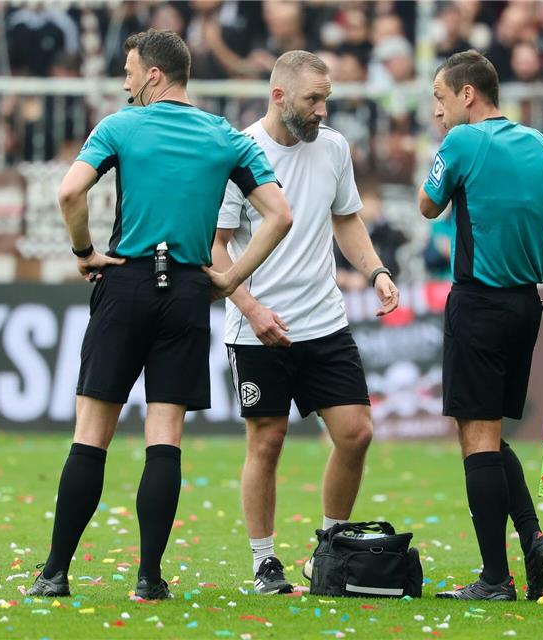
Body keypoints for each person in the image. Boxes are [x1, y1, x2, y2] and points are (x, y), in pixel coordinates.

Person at [27, 29, 294, 601]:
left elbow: (70, 193)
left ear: (154, 74)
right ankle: (149, 579)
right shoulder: (225, 135)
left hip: (125, 282)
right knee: (165, 437)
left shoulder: (120, 126)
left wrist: (83, 252)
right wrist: (231, 278)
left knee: (91, 434)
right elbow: (279, 215)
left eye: (129, 71)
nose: (125, 83)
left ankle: (54, 574)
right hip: (188, 293)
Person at [210, 50, 399, 596]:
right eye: (313, 99)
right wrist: (251, 310)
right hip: (258, 326)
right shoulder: (240, 154)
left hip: (324, 320)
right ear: (279, 96)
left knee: (356, 434)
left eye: (326, 99)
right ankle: (264, 563)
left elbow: (347, 221)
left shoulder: (334, 147)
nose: (322, 110)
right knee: (267, 441)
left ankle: (330, 550)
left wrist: (376, 271)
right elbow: (216, 247)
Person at [418, 50, 543, 601]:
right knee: (487, 433)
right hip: (525, 307)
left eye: (440, 97)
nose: (437, 111)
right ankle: (533, 539)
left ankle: (494, 578)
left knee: (478, 438)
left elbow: (427, 206)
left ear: (467, 94)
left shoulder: (463, 141)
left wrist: (446, 160)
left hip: (478, 303)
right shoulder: (541, 145)